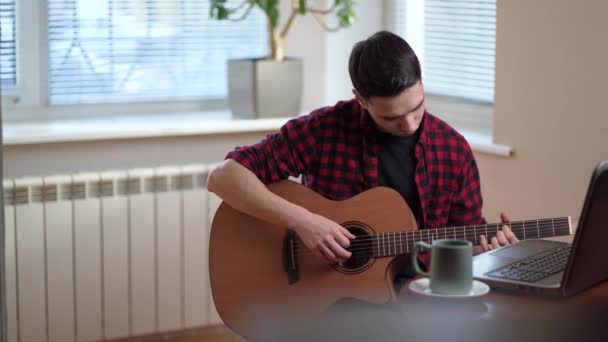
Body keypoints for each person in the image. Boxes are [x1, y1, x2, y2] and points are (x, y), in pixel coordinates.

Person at [207, 30, 518, 283]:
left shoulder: (453, 150)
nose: (409, 124)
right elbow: (223, 176)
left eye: (416, 108)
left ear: (422, 84)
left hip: (417, 291)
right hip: (327, 292)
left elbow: (462, 243)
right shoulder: (324, 130)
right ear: (360, 99)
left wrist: (489, 248)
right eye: (392, 118)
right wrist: (303, 221)